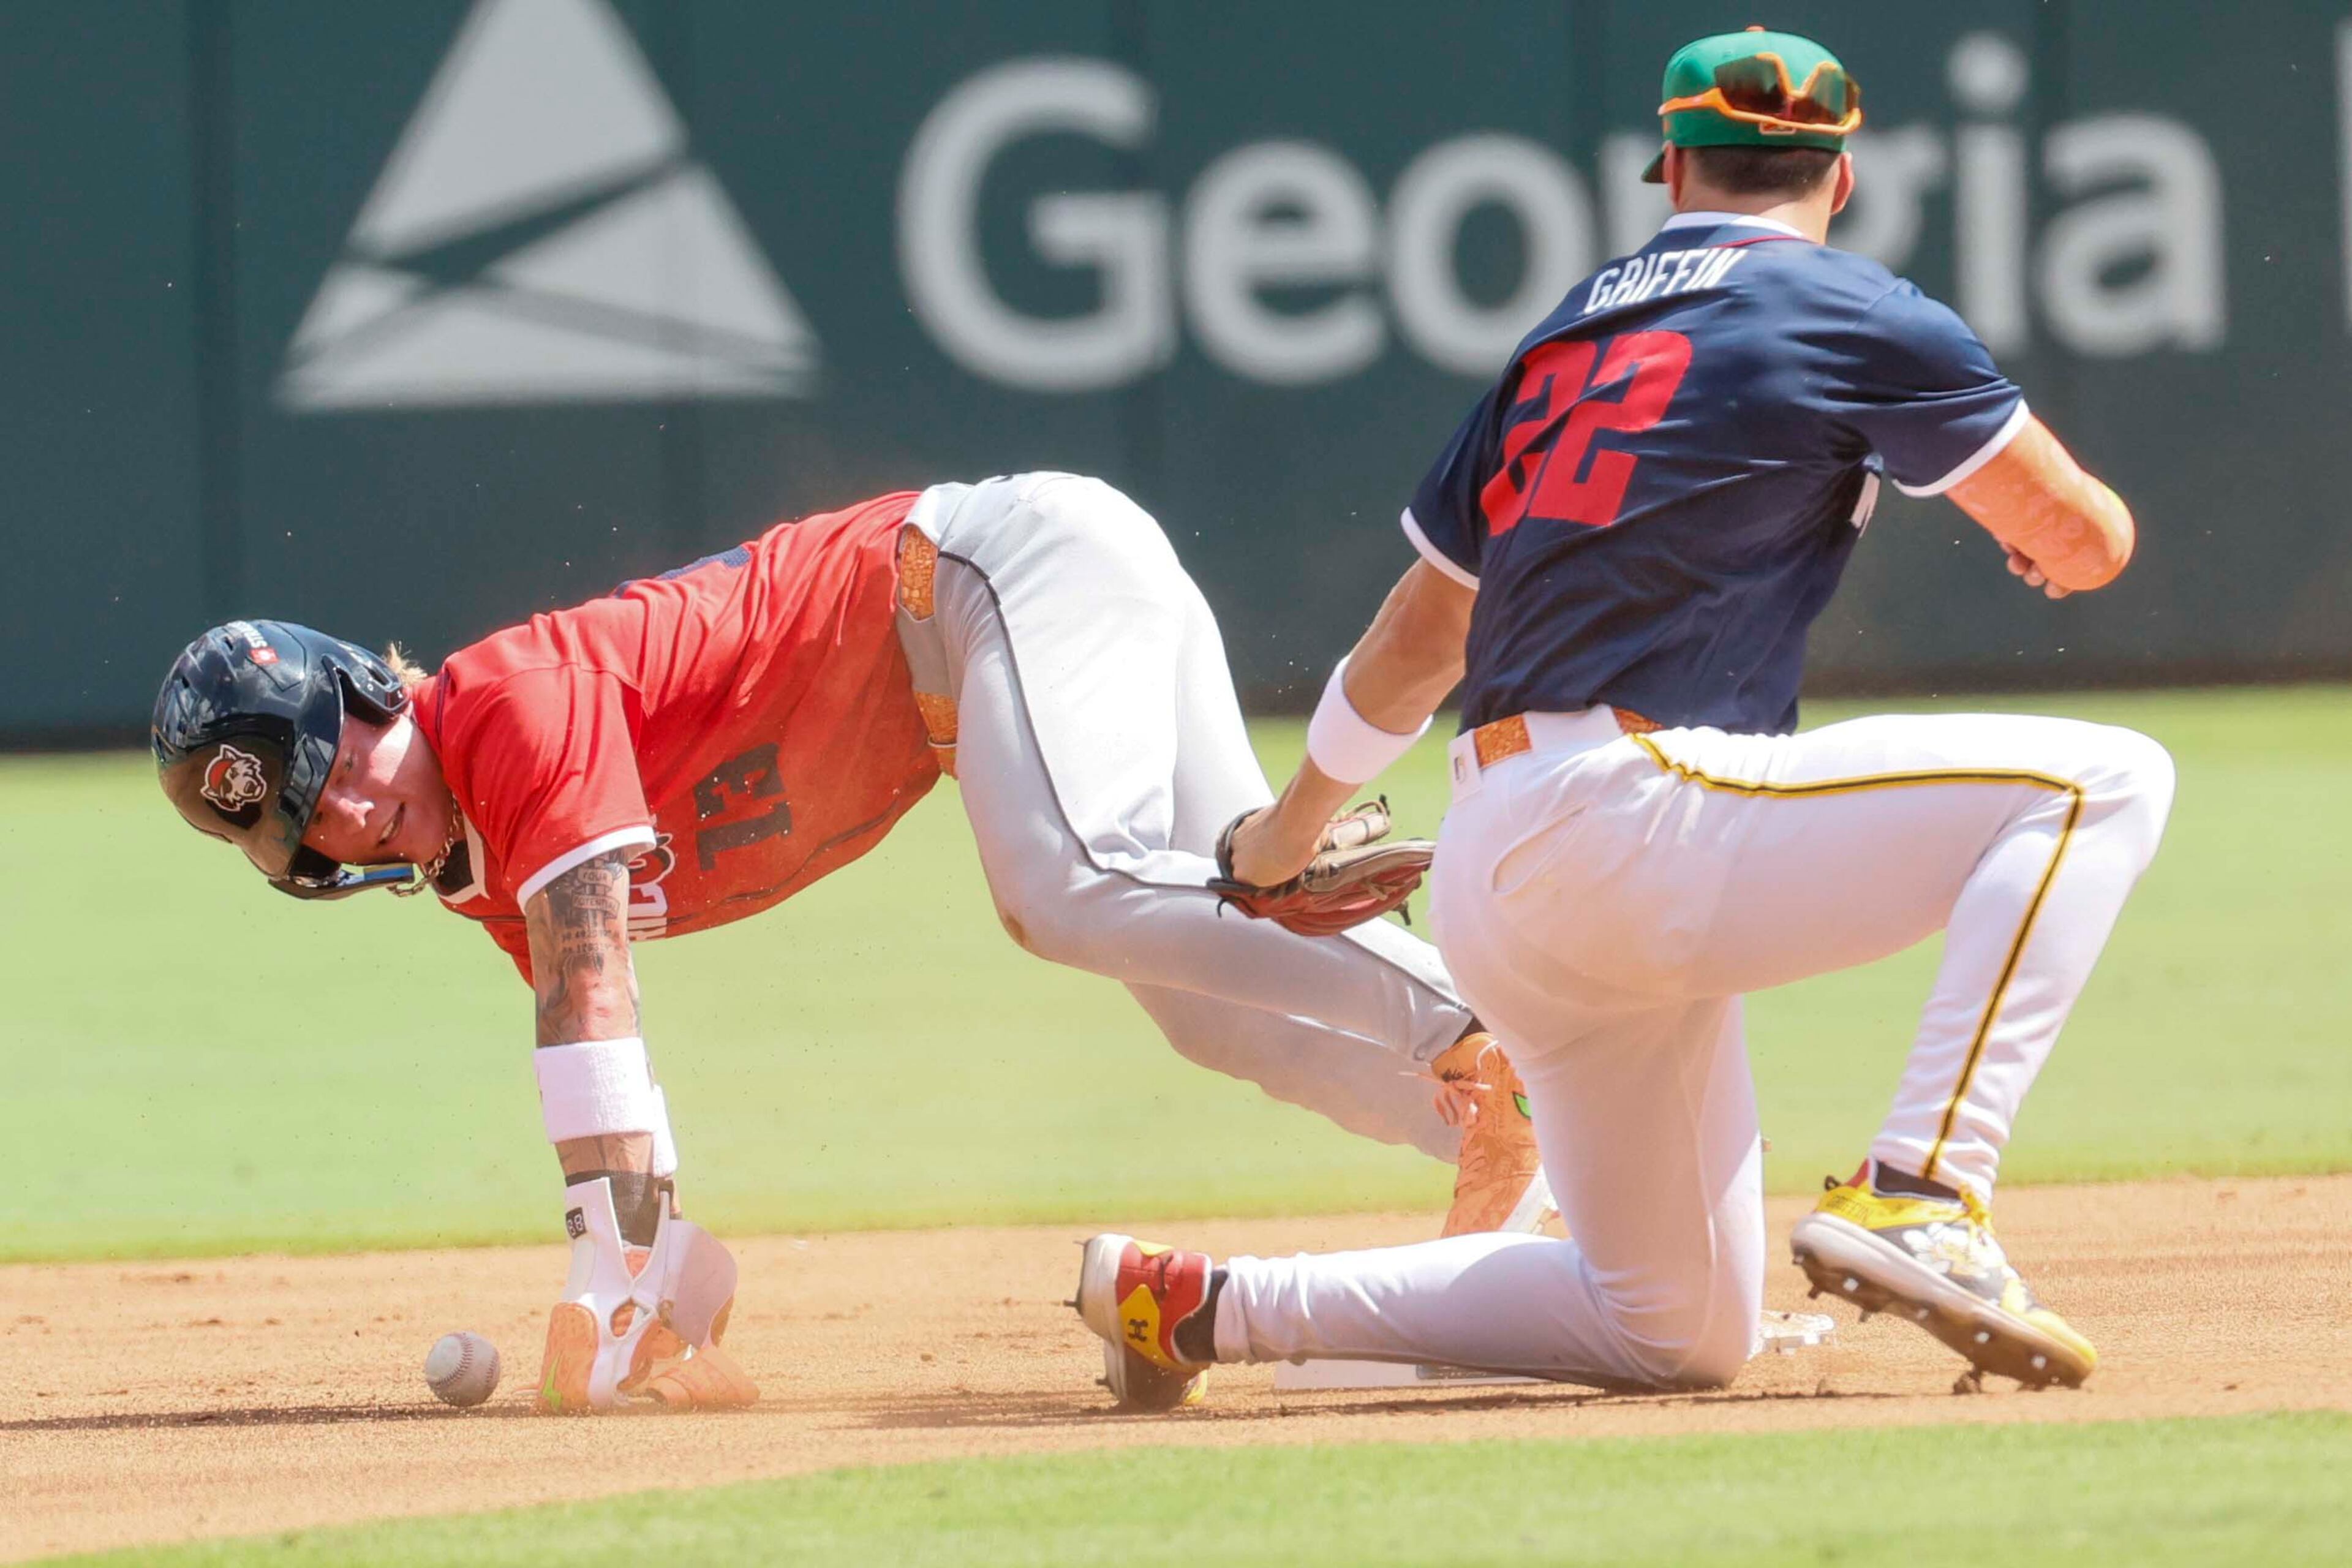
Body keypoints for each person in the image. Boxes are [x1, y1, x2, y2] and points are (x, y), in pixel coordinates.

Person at [1076, 28, 2173, 1396]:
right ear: (1843, 178)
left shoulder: (1561, 343)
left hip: (1504, 868)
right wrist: (2058, 527)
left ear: (1670, 170)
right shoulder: (1855, 309)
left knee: (1674, 1322)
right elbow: (2085, 542)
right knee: (2099, 781)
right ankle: (1928, 1190)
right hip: (1639, 813)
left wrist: (1288, 828)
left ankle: (1200, 1306)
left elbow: (1425, 630)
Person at [153, 473, 1547, 1414]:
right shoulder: (473, 866)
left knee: (1060, 888)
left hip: (990, 577)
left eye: (326, 753)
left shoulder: (503, 703)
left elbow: (590, 980)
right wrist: (677, 1281)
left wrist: (615, 1268)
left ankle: (1500, 1051)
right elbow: (608, 1059)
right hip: (1011, 619)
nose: (343, 804)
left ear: (363, 687)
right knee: (1203, 997)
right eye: (301, 819)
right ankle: (1544, 1153)